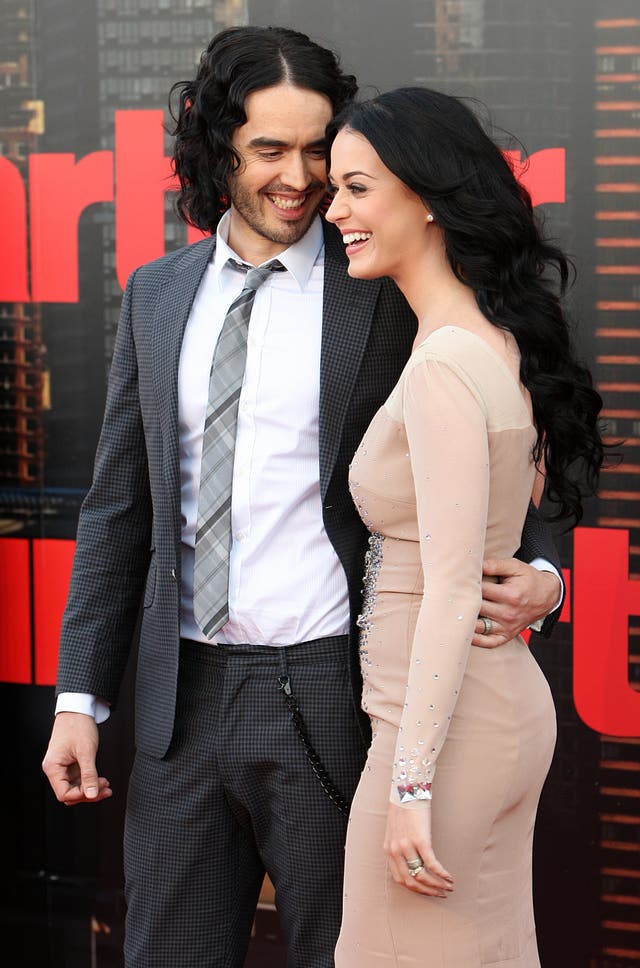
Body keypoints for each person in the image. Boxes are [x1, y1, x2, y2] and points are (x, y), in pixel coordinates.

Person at [42, 28, 564, 968]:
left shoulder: (386, 281)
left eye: (319, 149)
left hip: (335, 692)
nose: (300, 177)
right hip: (179, 703)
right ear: (219, 153)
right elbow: (119, 507)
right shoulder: (157, 296)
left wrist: (544, 572)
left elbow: (510, 423)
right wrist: (79, 696)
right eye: (269, 150)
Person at [324, 87, 603, 967]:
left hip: (440, 742)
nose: (335, 211)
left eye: (358, 188)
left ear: (429, 198)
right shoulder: (491, 337)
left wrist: (410, 786)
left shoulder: (446, 359)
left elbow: (451, 585)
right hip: (494, 715)